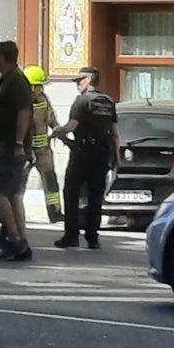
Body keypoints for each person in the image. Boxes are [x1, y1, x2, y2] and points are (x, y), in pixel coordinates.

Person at [51, 66, 119, 250]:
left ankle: (71, 235)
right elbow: (114, 133)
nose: (77, 85)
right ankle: (93, 237)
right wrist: (116, 157)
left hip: (83, 152)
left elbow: (72, 126)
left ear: (89, 80)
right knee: (95, 196)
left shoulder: (82, 101)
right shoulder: (108, 101)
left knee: (71, 192)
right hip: (103, 153)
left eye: (80, 81)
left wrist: (58, 132)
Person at [0, 41, 33, 262]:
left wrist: (17, 143)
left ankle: (14, 239)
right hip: (7, 144)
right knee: (13, 193)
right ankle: (21, 241)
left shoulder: (17, 81)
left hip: (10, 146)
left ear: (4, 57)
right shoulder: (8, 80)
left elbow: (24, 112)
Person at [22, 65, 65, 223]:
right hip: (25, 151)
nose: (41, 89)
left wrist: (60, 133)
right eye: (39, 85)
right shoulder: (20, 104)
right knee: (20, 183)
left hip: (43, 150)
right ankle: (17, 213)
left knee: (50, 180)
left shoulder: (44, 100)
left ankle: (55, 212)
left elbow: (52, 120)